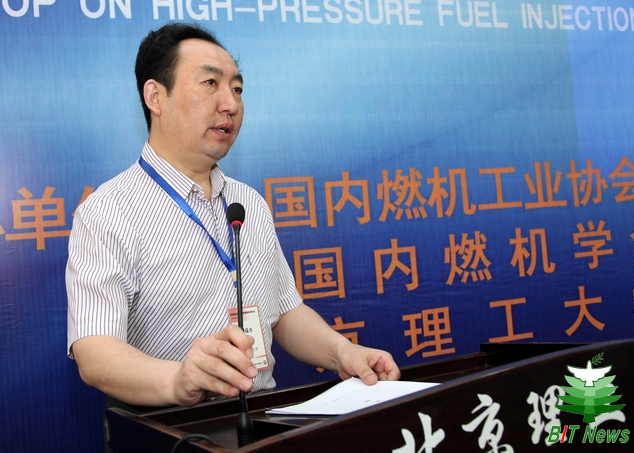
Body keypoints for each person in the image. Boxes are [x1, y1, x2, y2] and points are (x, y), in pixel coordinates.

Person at [66, 23, 400, 418]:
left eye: (237, 89)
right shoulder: (108, 212)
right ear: (155, 96)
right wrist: (179, 381)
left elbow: (284, 313)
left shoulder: (248, 203)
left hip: (261, 419)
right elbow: (95, 351)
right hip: (170, 428)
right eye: (211, 83)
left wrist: (343, 352)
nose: (231, 104)